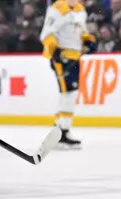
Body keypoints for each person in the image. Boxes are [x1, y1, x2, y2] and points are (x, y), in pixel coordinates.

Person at [39, 0, 97, 149]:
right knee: (68, 94)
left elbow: (81, 31)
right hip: (62, 57)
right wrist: (54, 50)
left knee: (69, 94)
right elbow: (47, 33)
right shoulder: (57, 9)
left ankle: (59, 130)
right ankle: (61, 132)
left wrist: (88, 41)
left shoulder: (80, 10)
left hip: (75, 57)